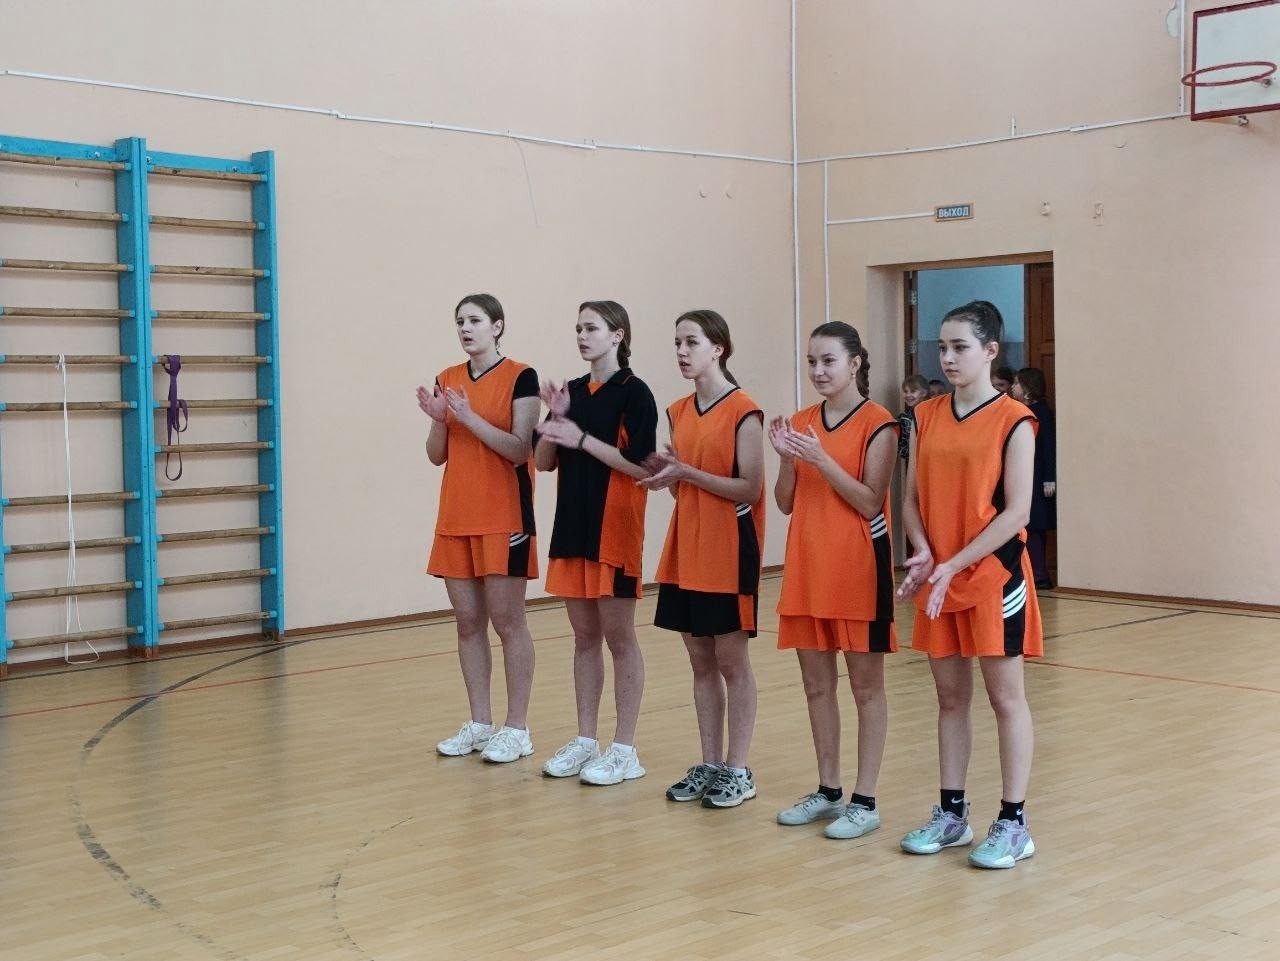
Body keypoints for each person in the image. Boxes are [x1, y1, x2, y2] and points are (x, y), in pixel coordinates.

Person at [896, 299, 1043, 869]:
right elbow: (910, 498)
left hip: (993, 576)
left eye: (960, 347)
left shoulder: (1015, 420)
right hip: (940, 577)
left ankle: (1014, 823)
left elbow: (1017, 511)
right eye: (942, 347)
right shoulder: (925, 416)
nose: (949, 357)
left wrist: (955, 563)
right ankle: (952, 815)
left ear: (990, 351)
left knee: (1006, 699)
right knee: (950, 698)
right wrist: (924, 551)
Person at [769, 322, 898, 839]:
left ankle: (865, 800)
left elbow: (869, 501)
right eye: (812, 362)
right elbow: (784, 502)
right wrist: (787, 459)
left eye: (828, 361)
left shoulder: (879, 423)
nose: (818, 371)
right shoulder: (802, 422)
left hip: (858, 571)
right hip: (807, 570)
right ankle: (828, 791)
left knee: (866, 688)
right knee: (816, 686)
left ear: (855, 363)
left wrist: (820, 458)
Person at [643, 309, 765, 809]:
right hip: (685, 550)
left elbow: (750, 488)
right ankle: (710, 763)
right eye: (677, 342)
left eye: (691, 342)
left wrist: (687, 473)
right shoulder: (676, 411)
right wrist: (671, 478)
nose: (681, 351)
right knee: (700, 662)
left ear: (718, 348)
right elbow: (684, 488)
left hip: (729, 552)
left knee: (731, 662)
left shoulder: (745, 410)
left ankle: (738, 769)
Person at [534, 301, 658, 785]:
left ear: (617, 335)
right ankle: (586, 740)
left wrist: (582, 438)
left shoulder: (635, 393)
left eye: (592, 328)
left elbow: (642, 467)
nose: (582, 336)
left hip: (615, 528)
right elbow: (543, 461)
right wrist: (555, 418)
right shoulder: (570, 392)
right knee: (584, 638)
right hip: (573, 526)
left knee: (619, 639)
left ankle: (624, 749)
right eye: (578, 328)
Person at [417, 293, 541, 764]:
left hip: (504, 517)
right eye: (460, 322)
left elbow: (519, 449)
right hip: (456, 516)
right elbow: (437, 455)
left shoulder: (521, 376)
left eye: (474, 320)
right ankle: (480, 723)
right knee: (468, 622)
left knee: (509, 622)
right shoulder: (447, 378)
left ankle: (517, 728)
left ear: (497, 326)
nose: (466, 328)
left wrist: (469, 418)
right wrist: (440, 421)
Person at [1012, 368, 1056, 590]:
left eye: (1017, 384)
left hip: (1038, 480)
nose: (1013, 388)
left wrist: (1050, 478)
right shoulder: (1022, 411)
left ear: (1028, 387)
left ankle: (1039, 575)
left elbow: (1048, 447)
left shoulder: (1041, 413)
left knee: (1035, 527)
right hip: (1027, 477)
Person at [897, 374, 929, 464]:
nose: (908, 395)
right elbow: (903, 450)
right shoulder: (904, 419)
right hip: (914, 463)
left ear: (924, 393)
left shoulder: (932, 414)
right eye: (905, 391)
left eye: (913, 391)